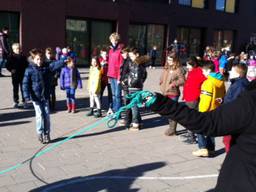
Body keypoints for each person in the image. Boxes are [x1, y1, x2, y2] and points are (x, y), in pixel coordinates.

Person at [23, 49, 65, 144]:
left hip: (45, 96)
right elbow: (25, 83)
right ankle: (40, 133)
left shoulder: (46, 67)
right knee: (39, 115)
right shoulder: (29, 70)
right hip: (35, 97)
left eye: (41, 59)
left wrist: (63, 60)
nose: (39, 61)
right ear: (33, 59)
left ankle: (46, 133)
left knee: (46, 115)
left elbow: (55, 65)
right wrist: (26, 96)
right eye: (37, 59)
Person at [192, 61, 225, 157]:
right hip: (216, 109)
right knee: (211, 129)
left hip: (207, 110)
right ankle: (211, 149)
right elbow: (223, 95)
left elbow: (206, 99)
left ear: (208, 70)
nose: (202, 73)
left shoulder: (208, 83)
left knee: (199, 127)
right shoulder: (220, 80)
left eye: (203, 71)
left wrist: (201, 112)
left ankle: (202, 148)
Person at [222, 63, 249, 153]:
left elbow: (236, 102)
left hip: (233, 117)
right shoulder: (238, 82)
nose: (230, 72)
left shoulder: (240, 85)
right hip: (233, 116)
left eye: (232, 71)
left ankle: (230, 162)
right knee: (228, 140)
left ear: (238, 74)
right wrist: (222, 100)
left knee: (228, 141)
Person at [159, 52, 185, 136]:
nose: (169, 61)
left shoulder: (178, 69)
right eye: (168, 59)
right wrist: (161, 81)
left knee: (172, 112)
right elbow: (163, 76)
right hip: (165, 92)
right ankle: (171, 127)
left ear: (175, 60)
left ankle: (172, 129)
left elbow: (182, 80)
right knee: (167, 112)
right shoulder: (166, 67)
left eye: (171, 60)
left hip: (173, 93)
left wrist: (174, 83)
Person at [182, 56, 206, 143]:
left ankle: (191, 137)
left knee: (189, 117)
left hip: (193, 98)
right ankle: (190, 134)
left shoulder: (199, 72)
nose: (187, 67)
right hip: (189, 97)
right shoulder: (191, 71)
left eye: (189, 65)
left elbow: (205, 80)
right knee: (190, 116)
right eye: (186, 65)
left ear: (194, 64)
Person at [126, 48, 149, 131]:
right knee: (134, 104)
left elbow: (137, 77)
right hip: (136, 86)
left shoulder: (137, 64)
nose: (130, 57)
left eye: (131, 56)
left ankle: (135, 123)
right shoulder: (138, 63)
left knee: (134, 105)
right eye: (130, 56)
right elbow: (144, 75)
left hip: (134, 87)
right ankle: (139, 121)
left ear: (137, 55)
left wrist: (130, 84)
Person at [6, 43, 28, 108]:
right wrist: (11, 70)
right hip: (15, 76)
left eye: (19, 48)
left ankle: (25, 101)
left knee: (23, 89)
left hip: (23, 75)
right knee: (15, 89)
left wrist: (27, 71)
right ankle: (16, 102)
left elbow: (26, 65)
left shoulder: (23, 57)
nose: (18, 50)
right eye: (17, 49)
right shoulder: (11, 57)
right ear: (13, 50)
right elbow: (7, 65)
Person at [107, 32, 124, 113]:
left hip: (117, 76)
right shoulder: (110, 50)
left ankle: (118, 112)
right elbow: (110, 63)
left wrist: (119, 77)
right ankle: (114, 110)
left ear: (117, 40)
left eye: (114, 40)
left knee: (118, 95)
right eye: (112, 40)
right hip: (111, 75)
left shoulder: (120, 50)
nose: (113, 41)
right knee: (113, 95)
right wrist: (108, 75)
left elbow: (121, 65)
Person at [120, 48, 131, 128]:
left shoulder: (129, 61)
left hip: (127, 84)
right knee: (126, 101)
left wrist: (125, 80)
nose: (123, 55)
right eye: (122, 53)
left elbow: (130, 73)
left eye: (124, 53)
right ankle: (131, 119)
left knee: (127, 101)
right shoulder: (125, 60)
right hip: (124, 84)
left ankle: (127, 120)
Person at [99, 48, 113, 115]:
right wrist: (101, 65)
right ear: (101, 54)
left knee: (110, 94)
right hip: (102, 79)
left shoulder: (109, 59)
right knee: (100, 93)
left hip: (109, 79)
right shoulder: (99, 60)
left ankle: (110, 108)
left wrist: (107, 63)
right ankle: (99, 107)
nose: (105, 55)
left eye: (106, 54)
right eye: (103, 54)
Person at [45, 47, 59, 112]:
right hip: (47, 80)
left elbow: (58, 69)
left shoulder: (54, 60)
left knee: (53, 94)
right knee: (48, 94)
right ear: (46, 54)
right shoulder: (44, 61)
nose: (49, 54)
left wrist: (56, 75)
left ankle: (53, 106)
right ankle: (48, 106)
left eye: (50, 53)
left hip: (53, 80)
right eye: (48, 53)